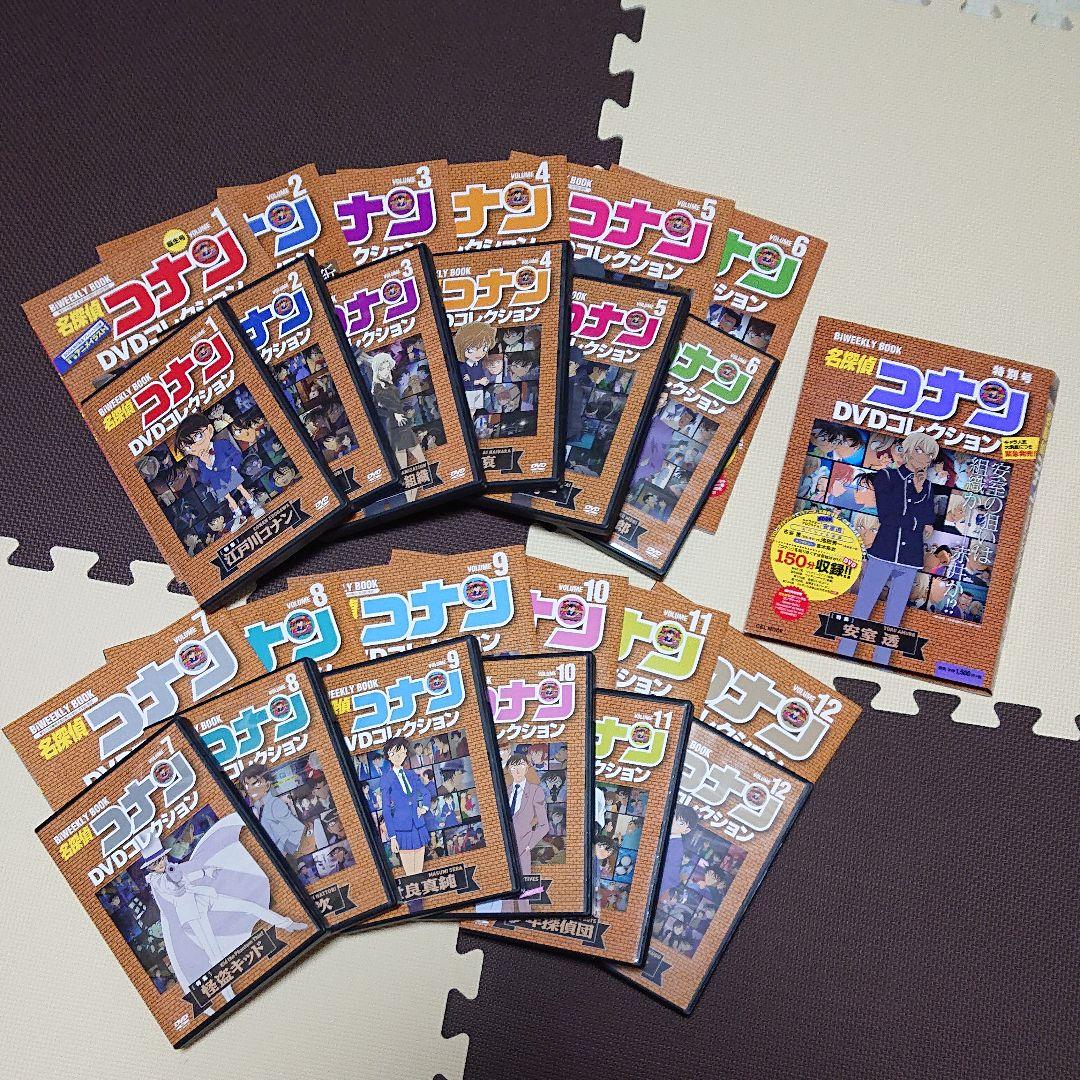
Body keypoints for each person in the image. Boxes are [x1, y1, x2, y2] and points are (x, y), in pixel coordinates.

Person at [135, 818, 307, 1013]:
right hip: (191, 913)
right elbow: (175, 890)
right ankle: (229, 996)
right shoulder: (157, 882)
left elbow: (187, 878)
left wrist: (205, 872)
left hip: (202, 897)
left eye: (160, 859)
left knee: (248, 906)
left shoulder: (171, 868)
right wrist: (174, 875)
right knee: (214, 954)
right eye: (155, 863)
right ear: (149, 868)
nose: (160, 864)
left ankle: (287, 924)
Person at [836, 431, 939, 666]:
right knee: (863, 607)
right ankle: (844, 654)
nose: (924, 458)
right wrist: (917, 522)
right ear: (908, 450)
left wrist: (919, 494)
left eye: (929, 455)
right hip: (883, 552)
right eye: (920, 451)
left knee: (894, 617)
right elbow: (889, 515)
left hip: (910, 558)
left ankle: (881, 662)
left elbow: (928, 521)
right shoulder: (886, 476)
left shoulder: (927, 486)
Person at [174, 412, 265, 533]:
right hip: (217, 482)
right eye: (188, 447)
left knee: (241, 488)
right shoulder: (200, 462)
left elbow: (236, 455)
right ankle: (239, 515)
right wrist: (207, 464)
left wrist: (233, 467)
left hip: (229, 473)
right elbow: (205, 479)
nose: (195, 446)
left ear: (210, 430)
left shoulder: (221, 444)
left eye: (198, 437)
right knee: (229, 498)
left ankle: (254, 506)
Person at [377, 737, 436, 909]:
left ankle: (421, 907)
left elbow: (426, 793)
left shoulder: (411, 774)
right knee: (410, 873)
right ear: (388, 755)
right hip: (401, 829)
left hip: (418, 825)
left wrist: (424, 808)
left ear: (405, 754)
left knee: (419, 871)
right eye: (394, 753)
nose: (398, 756)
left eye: (402, 752)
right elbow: (386, 810)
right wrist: (392, 837)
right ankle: (415, 908)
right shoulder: (386, 778)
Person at [366, 351, 427, 502]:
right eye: (382, 368)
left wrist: (400, 413)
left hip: (402, 423)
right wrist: (394, 414)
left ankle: (413, 497)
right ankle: (411, 499)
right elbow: (379, 408)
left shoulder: (388, 383)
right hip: (395, 426)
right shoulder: (377, 388)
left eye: (387, 367)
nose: (386, 371)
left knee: (419, 461)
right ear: (376, 370)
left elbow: (392, 405)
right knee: (406, 467)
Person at [501, 754, 550, 913]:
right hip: (504, 847)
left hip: (523, 847)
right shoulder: (504, 791)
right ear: (509, 769)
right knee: (505, 887)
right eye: (513, 766)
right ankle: (504, 918)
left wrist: (530, 844)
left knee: (523, 887)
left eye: (521, 765)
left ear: (527, 767)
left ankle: (524, 918)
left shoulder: (535, 791)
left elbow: (544, 825)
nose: (517, 770)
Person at [239, 766, 306, 860]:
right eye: (247, 786)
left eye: (255, 783)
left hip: (284, 858)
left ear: (267, 784)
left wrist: (285, 852)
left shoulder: (274, 804)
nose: (250, 789)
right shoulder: (257, 807)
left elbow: (298, 828)